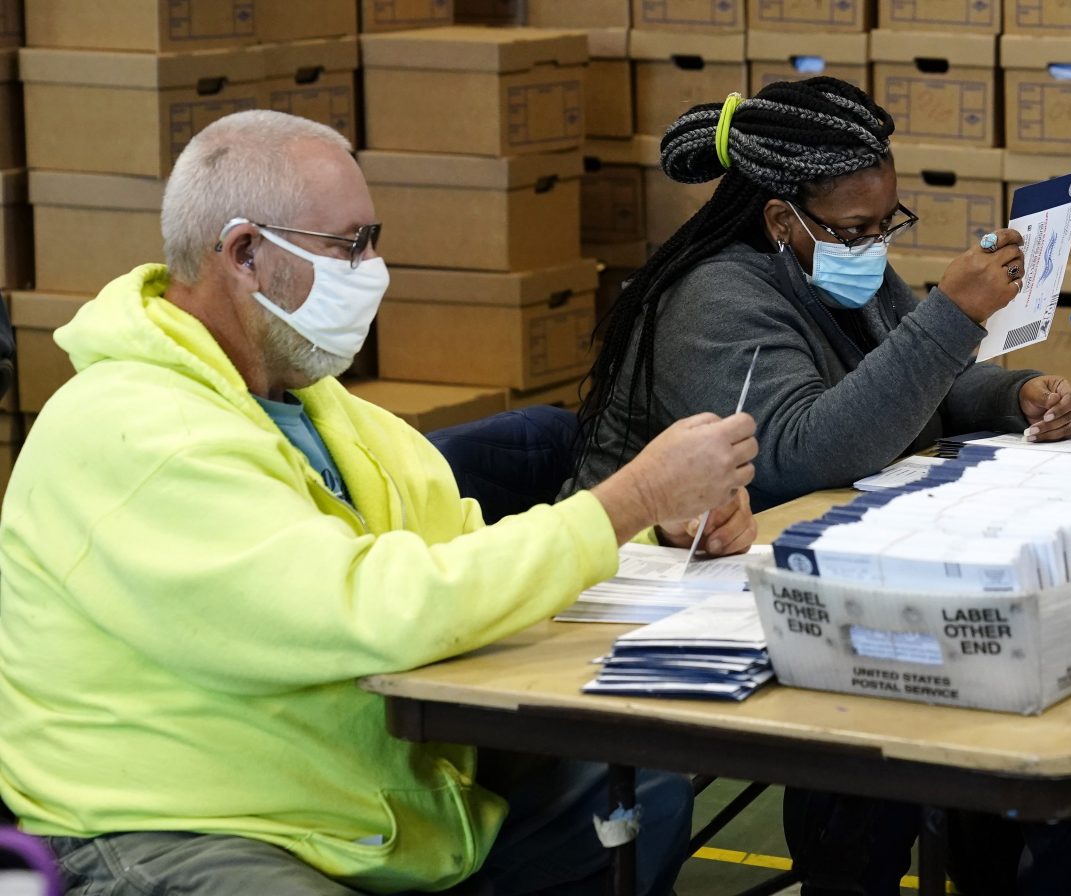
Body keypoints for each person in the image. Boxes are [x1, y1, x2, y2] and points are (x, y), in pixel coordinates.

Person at [0, 111, 759, 896]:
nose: (375, 268)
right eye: (349, 246)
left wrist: (659, 532)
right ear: (245, 254)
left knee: (630, 798)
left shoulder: (330, 415)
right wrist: (627, 497)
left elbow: (472, 579)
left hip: (359, 797)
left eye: (374, 239)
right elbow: (374, 609)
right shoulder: (134, 428)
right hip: (186, 823)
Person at [570, 77, 1071, 508]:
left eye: (887, 223)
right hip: (640, 567)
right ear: (780, 221)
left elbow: (924, 388)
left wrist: (1017, 396)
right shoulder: (711, 299)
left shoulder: (832, 258)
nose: (873, 245)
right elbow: (797, 455)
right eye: (855, 228)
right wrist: (952, 314)